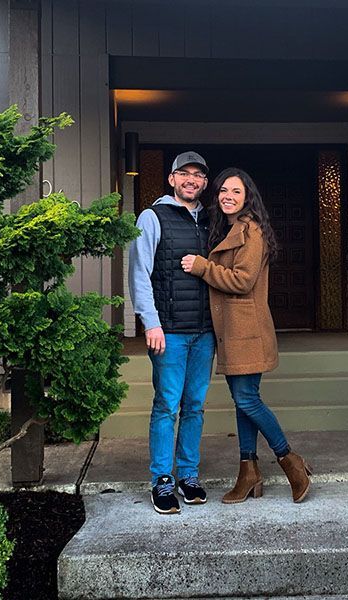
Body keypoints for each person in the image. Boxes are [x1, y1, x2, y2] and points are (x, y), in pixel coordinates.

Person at [181, 167, 312, 504]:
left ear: (248, 197)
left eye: (236, 191)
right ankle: (248, 472)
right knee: (243, 402)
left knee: (246, 400)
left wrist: (201, 266)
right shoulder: (229, 228)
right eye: (223, 190)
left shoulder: (251, 231)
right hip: (233, 331)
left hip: (247, 331)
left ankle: (289, 460)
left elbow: (242, 280)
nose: (228, 196)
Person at [128, 151, 215, 515]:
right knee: (167, 406)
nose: (191, 180)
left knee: (194, 406)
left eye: (198, 175)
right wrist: (151, 322)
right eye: (185, 174)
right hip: (170, 331)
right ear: (172, 178)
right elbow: (139, 272)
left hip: (205, 331)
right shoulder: (153, 216)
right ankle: (162, 480)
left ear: (205, 183)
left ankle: (188, 476)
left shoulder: (212, 221)